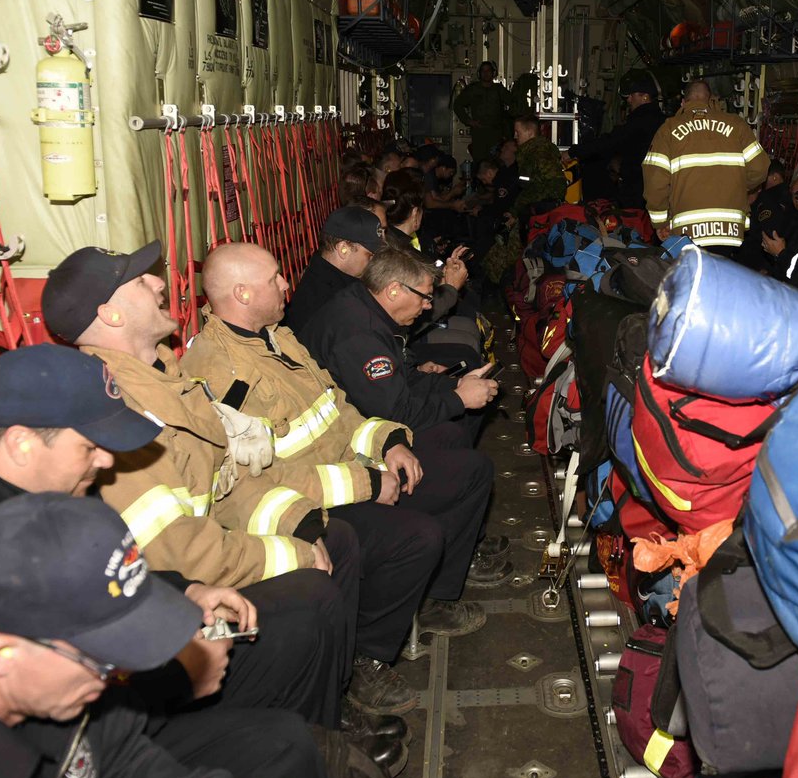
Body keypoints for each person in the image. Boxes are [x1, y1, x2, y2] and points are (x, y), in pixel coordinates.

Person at [37, 241, 406, 727]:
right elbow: (176, 549)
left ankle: (331, 703)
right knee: (314, 598)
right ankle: (308, 737)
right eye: (140, 281)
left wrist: (299, 524)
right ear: (111, 314)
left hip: (216, 545)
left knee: (332, 537)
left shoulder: (167, 377)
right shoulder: (120, 409)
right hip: (173, 593)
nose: (159, 284)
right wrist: (288, 553)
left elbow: (225, 485)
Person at [0, 343, 410, 745]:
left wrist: (187, 592)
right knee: (290, 732)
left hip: (140, 648)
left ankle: (324, 727)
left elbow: (125, 575)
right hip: (101, 716)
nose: (105, 460)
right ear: (21, 444)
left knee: (318, 591)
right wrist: (183, 664)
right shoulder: (0, 535)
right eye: (90, 447)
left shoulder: (51, 500)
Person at [185, 242, 504, 634]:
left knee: (466, 465)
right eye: (274, 279)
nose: (287, 284)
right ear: (243, 294)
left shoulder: (278, 339)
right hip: (312, 501)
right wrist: (368, 483)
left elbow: (337, 409)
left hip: (347, 467)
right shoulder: (222, 375)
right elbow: (262, 480)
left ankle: (430, 592)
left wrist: (388, 443)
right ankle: (371, 653)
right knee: (420, 537)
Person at [0, 493, 330, 778]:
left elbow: (125, 765)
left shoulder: (66, 693)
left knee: (285, 743)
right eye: (102, 661)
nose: (116, 677)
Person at [300, 247, 500, 437]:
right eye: (424, 297)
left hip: (371, 409)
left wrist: (457, 383)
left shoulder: (366, 305)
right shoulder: (360, 336)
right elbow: (396, 414)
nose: (428, 305)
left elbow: (401, 376)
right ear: (394, 290)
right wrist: (460, 398)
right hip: (349, 431)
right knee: (460, 447)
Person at [643, 79, 768, 254]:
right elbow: (760, 167)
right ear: (711, 101)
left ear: (683, 102)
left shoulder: (668, 130)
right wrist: (735, 185)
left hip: (687, 232)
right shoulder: (737, 125)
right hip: (729, 230)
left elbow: (655, 180)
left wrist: (661, 222)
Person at [564, 75, 666, 210]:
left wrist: (574, 152)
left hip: (638, 189)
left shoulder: (639, 122)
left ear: (645, 97)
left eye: (631, 95)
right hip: (658, 187)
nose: (628, 100)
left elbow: (609, 142)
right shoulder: (663, 121)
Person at [284, 206, 385, 335]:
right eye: (370, 255)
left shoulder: (335, 281)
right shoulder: (325, 300)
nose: (374, 261)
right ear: (344, 249)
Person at [738, 158, 794, 273]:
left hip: (758, 263)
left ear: (775, 177)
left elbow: (768, 234)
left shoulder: (770, 199)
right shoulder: (783, 197)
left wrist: (765, 267)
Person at [512, 113, 568, 221]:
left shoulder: (540, 154)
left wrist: (533, 204)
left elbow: (557, 186)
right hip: (532, 211)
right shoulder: (528, 154)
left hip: (540, 214)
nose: (515, 136)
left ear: (530, 133)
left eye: (517, 132)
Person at [453, 61, 512, 161]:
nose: (486, 73)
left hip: (496, 133)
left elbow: (513, 103)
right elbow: (457, 105)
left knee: (495, 162)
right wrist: (469, 121)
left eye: (488, 70)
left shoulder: (499, 89)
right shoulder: (473, 89)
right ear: (479, 73)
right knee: (479, 162)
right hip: (479, 133)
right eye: (483, 71)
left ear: (493, 73)